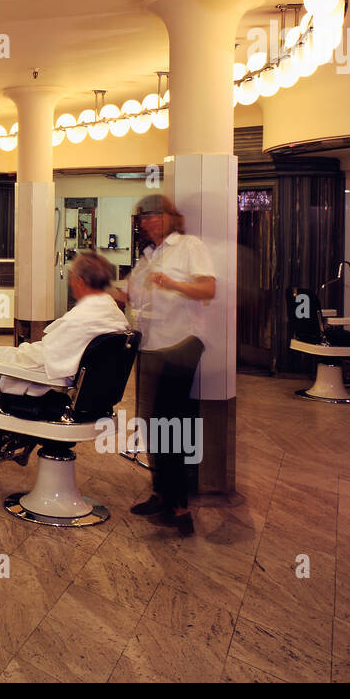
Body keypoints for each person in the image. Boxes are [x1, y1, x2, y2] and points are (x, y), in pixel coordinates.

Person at [0, 252, 128, 428]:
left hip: (58, 384)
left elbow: (46, 358)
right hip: (93, 395)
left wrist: (16, 354)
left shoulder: (84, 316)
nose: (70, 285)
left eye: (70, 280)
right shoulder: (113, 313)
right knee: (5, 354)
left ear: (79, 281)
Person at [125, 194, 216, 537]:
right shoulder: (148, 257)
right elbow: (133, 296)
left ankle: (180, 509)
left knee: (173, 423)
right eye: (144, 218)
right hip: (151, 345)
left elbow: (208, 289)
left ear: (170, 217)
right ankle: (161, 494)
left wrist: (173, 283)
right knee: (153, 424)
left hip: (181, 344)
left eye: (154, 216)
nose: (148, 222)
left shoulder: (189, 245)